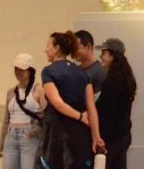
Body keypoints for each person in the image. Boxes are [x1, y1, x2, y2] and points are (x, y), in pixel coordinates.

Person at [40, 31, 105, 169]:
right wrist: (96, 137)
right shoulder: (81, 73)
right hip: (80, 135)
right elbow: (91, 108)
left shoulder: (48, 71)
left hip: (57, 134)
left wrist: (81, 117)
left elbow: (57, 103)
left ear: (56, 48)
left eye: (48, 46)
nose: (45, 49)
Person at [0, 53, 45, 168]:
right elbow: (6, 121)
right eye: (16, 69)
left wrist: (36, 131)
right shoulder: (11, 92)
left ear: (30, 71)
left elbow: (47, 117)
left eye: (21, 69)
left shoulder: (38, 90)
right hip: (11, 136)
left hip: (29, 136)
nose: (18, 72)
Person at [95, 38, 136, 169]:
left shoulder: (111, 82)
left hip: (110, 140)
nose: (101, 56)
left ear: (112, 55)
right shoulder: (127, 79)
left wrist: (101, 139)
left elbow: (108, 114)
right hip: (123, 136)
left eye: (104, 53)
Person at [74, 31, 106, 95]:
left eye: (76, 48)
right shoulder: (75, 70)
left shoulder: (100, 71)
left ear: (88, 46)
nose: (74, 52)